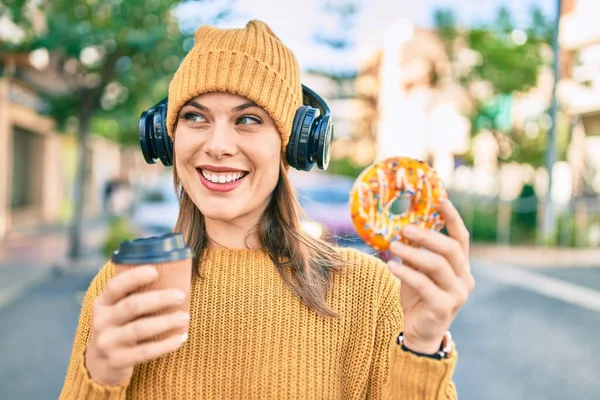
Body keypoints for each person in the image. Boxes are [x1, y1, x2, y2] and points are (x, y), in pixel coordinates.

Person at [59, 20, 475, 399]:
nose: (218, 144)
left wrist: (422, 346)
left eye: (249, 120)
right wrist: (100, 374)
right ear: (166, 139)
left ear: (293, 145)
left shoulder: (368, 291)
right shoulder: (125, 284)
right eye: (195, 117)